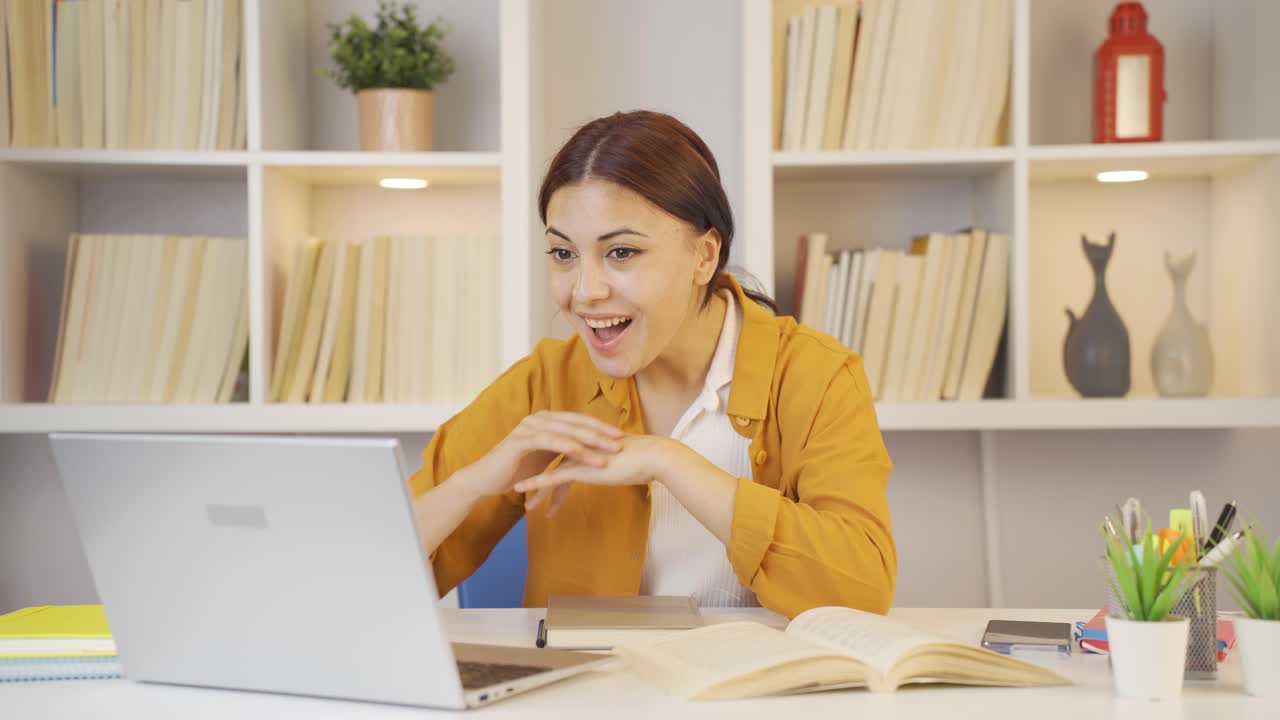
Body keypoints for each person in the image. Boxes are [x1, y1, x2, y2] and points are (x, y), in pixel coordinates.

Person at [410, 110, 895, 619]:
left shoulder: (815, 375)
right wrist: (469, 485)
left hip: (756, 675)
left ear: (704, 256)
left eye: (621, 252)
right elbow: (372, 572)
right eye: (563, 254)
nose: (585, 292)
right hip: (586, 674)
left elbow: (860, 590)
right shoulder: (544, 383)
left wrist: (670, 462)